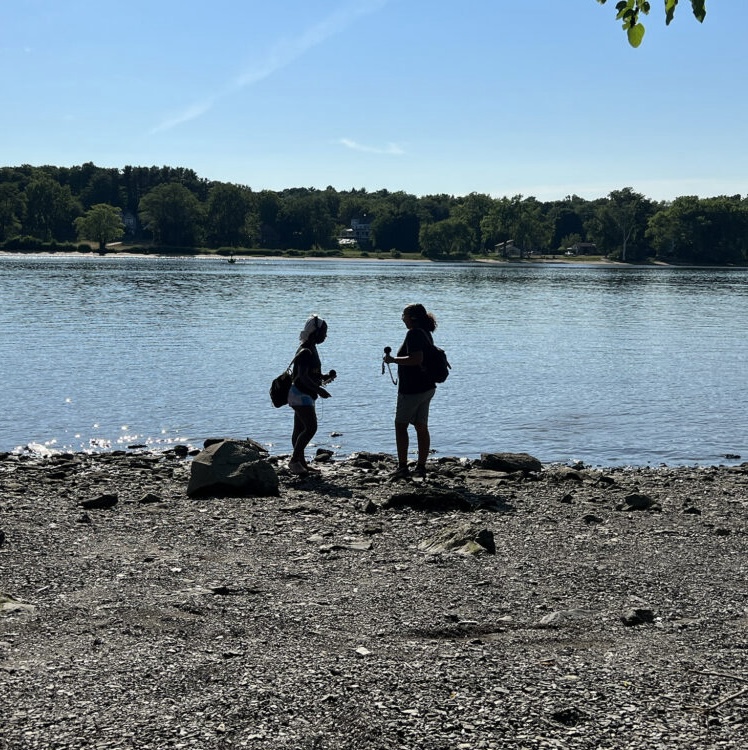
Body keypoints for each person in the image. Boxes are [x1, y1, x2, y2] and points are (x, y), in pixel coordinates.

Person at [383, 303, 438, 479]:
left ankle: (402, 467)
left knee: (401, 425)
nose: (402, 318)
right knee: (421, 426)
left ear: (412, 318)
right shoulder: (425, 332)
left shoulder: (414, 333)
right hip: (427, 387)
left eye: (404, 314)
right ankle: (421, 467)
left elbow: (416, 359)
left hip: (412, 389)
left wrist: (393, 360)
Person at [287, 314, 334, 476]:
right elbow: (302, 377)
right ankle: (294, 461)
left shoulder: (311, 348)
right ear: (315, 332)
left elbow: (311, 374)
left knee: (299, 429)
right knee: (311, 428)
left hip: (303, 394)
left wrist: (324, 378)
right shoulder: (306, 351)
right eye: (324, 332)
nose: (325, 336)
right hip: (300, 395)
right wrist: (319, 390)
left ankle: (302, 463)